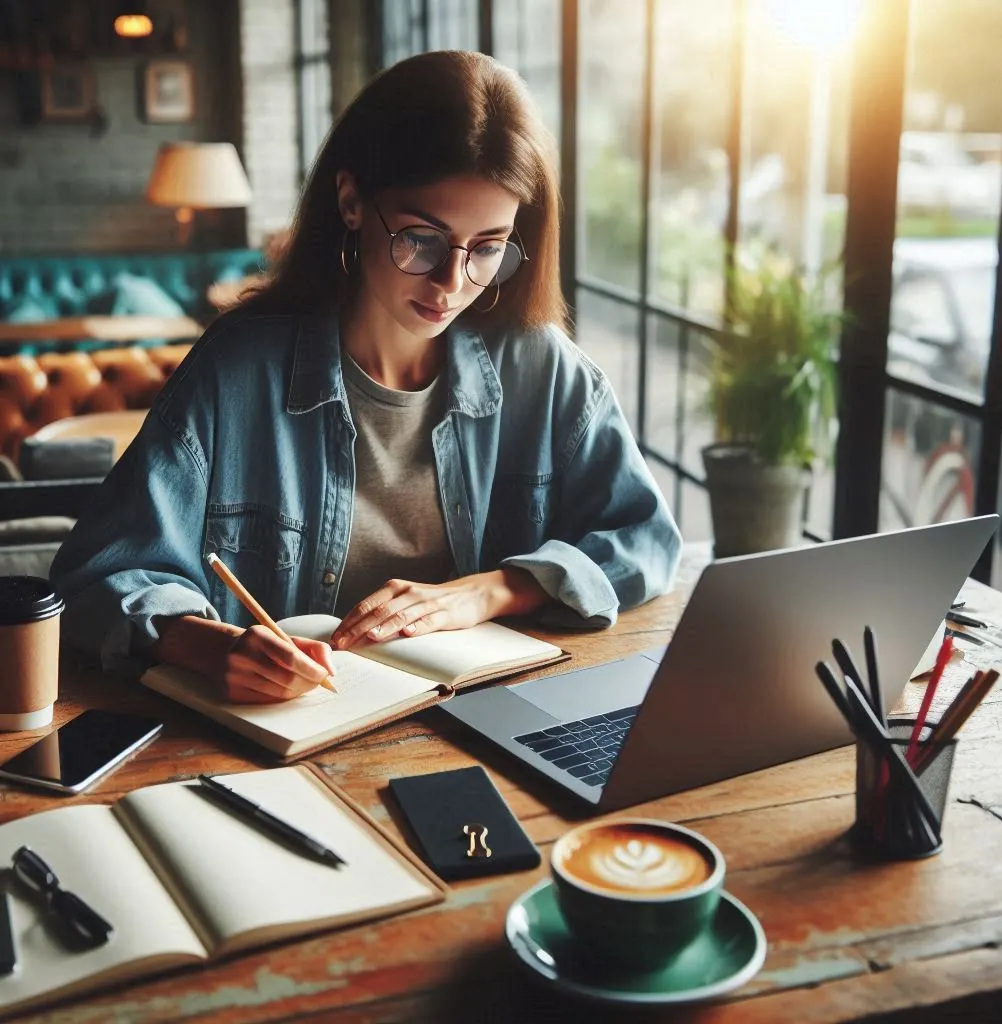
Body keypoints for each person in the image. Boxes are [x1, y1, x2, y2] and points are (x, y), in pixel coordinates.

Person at [51, 50, 682, 705]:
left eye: (488, 247)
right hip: (285, 744)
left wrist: (494, 589)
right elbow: (97, 574)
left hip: (487, 729)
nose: (452, 283)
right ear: (351, 201)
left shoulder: (541, 368)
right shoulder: (237, 373)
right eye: (422, 239)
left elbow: (647, 540)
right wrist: (207, 645)